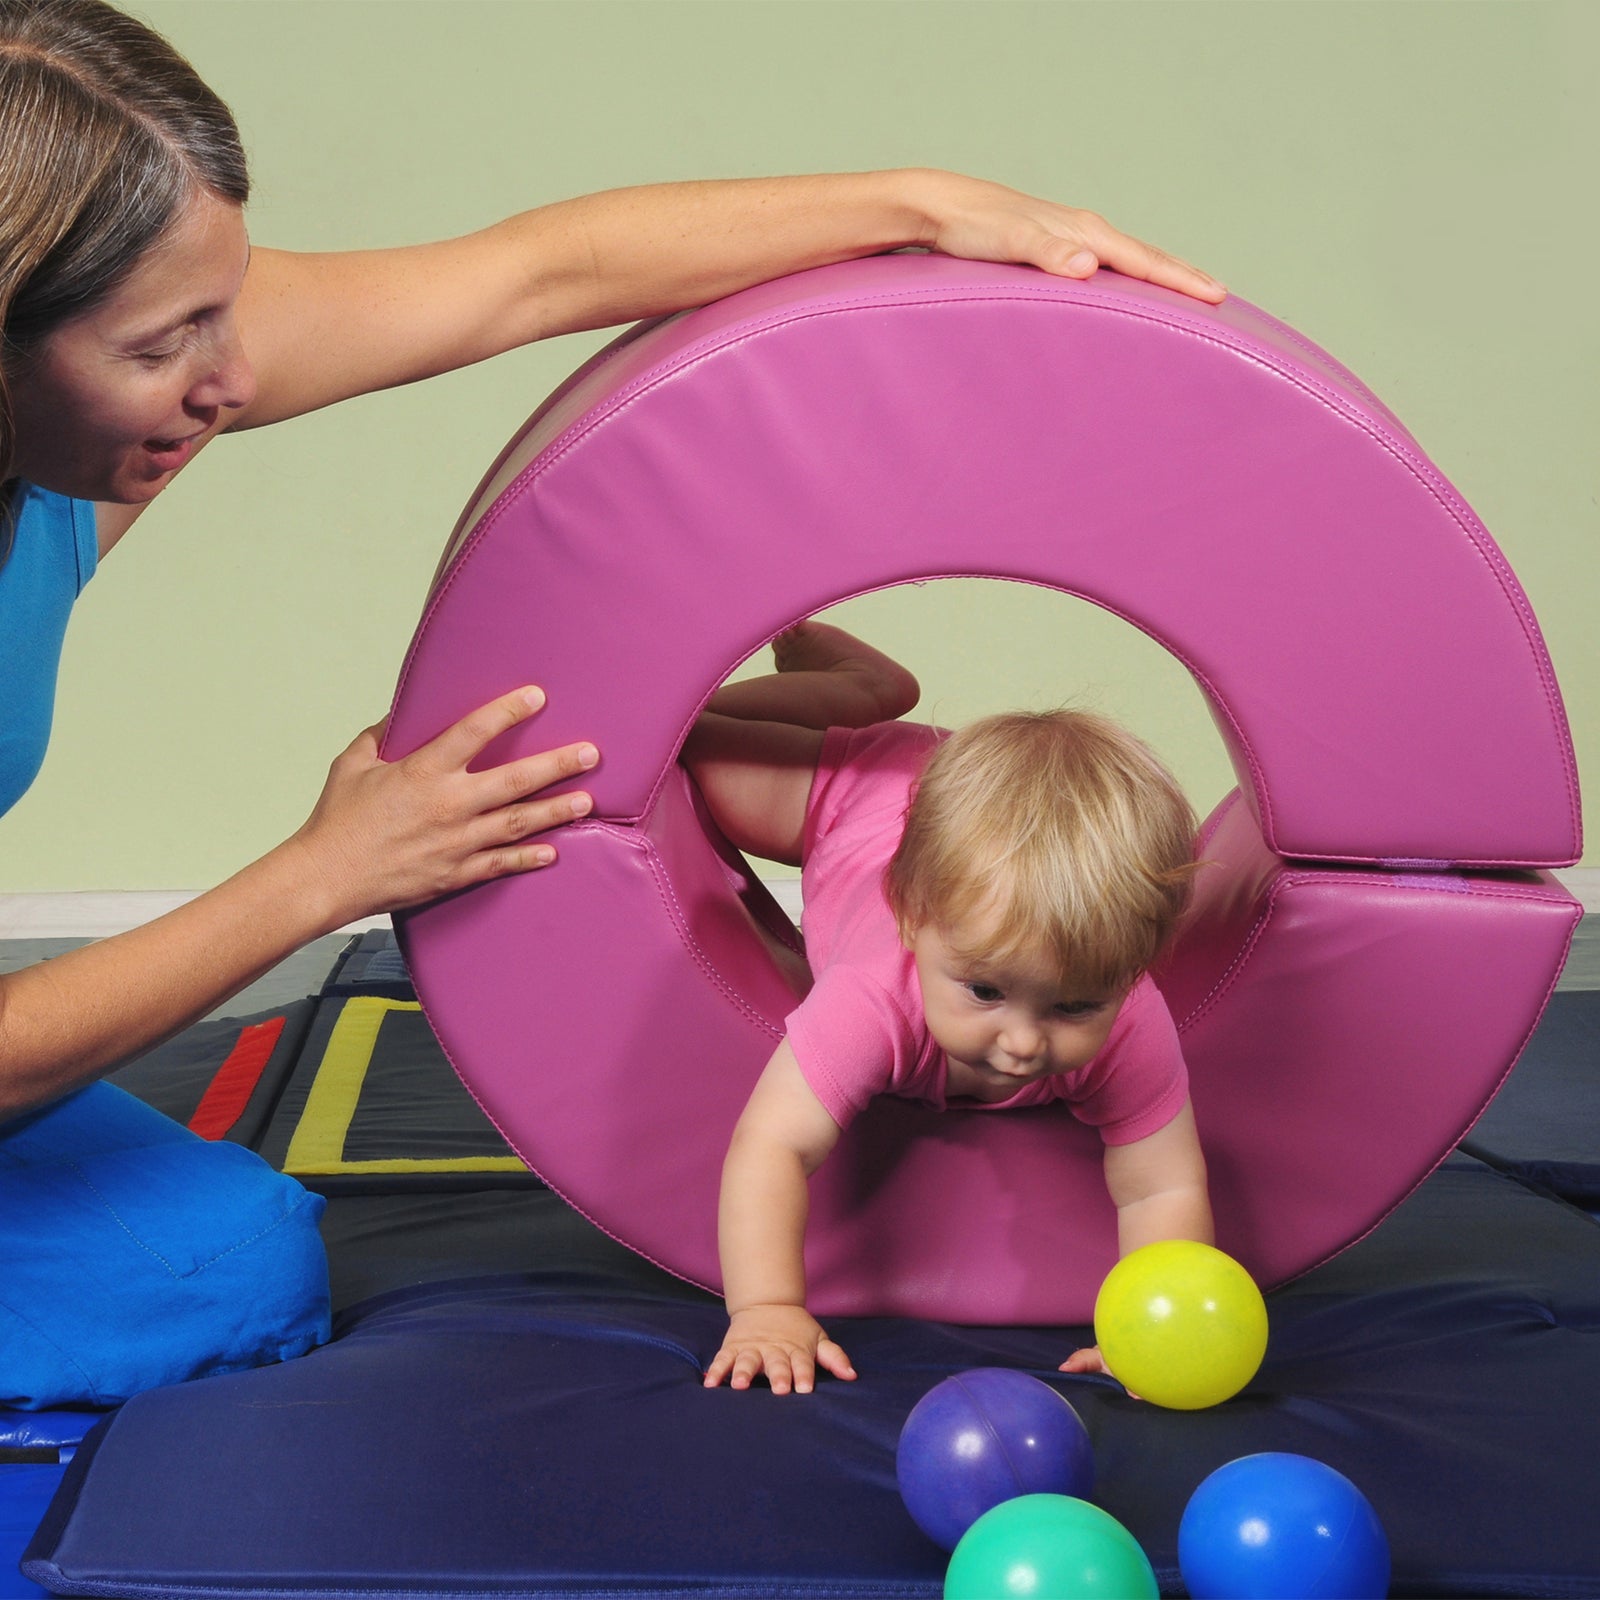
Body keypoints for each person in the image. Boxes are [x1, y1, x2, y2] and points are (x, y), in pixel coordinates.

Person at [0, 0, 1224, 1407]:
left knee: (236, 1255)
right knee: (211, 1283)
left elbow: (529, 277)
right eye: (166, 344)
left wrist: (928, 203)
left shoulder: (92, 430)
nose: (232, 378)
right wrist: (318, 877)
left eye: (229, 305)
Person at [684, 623, 1213, 1395]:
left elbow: (1163, 1186)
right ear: (907, 914)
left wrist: (1157, 1326)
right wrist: (766, 1307)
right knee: (687, 746)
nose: (1024, 1042)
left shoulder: (1132, 1018)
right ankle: (860, 690)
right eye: (986, 992)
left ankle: (867, 698)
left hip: (972, 831)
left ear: (1135, 969)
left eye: (1073, 1006)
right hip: (856, 797)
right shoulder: (872, 995)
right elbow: (772, 1146)